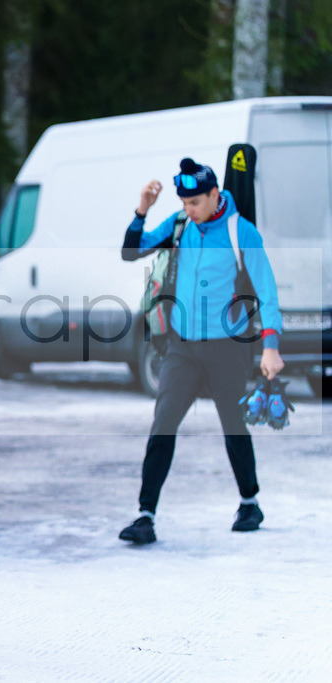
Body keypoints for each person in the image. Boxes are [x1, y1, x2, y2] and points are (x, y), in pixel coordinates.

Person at [118, 157, 284, 545]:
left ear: (214, 195)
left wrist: (270, 347)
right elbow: (131, 251)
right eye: (183, 203)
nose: (188, 211)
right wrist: (142, 210)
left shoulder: (241, 233)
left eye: (194, 203)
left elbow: (268, 293)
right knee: (163, 423)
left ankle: (249, 502)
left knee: (232, 423)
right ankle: (145, 515)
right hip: (182, 348)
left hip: (227, 348)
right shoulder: (180, 226)